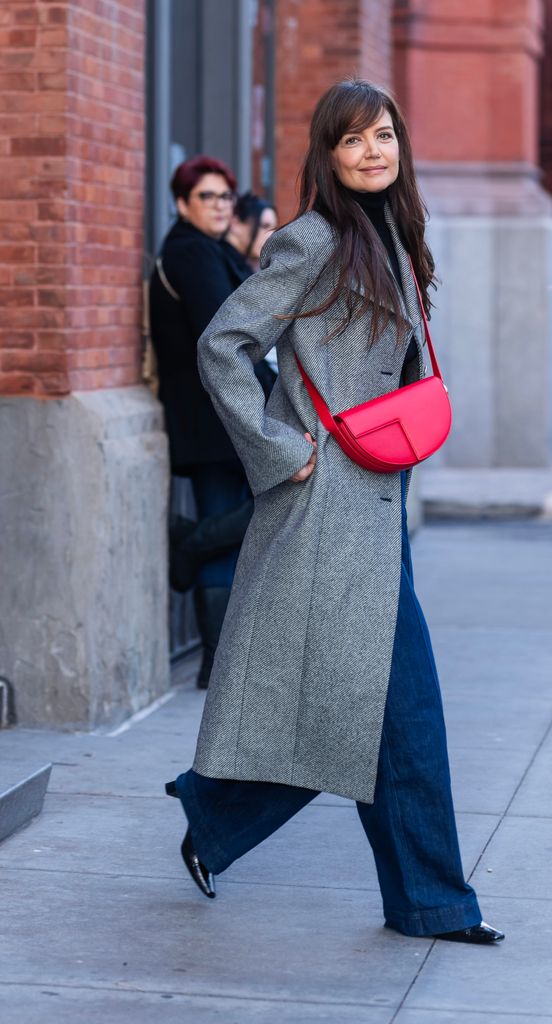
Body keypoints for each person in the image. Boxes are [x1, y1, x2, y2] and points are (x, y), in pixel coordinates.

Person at [165, 80, 503, 945]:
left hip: (376, 498)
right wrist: (283, 451)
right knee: (393, 707)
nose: (371, 153)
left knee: (382, 709)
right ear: (327, 154)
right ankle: (227, 818)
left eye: (383, 136)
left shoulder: (393, 233)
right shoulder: (311, 240)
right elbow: (223, 345)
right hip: (324, 502)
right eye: (351, 141)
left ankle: (417, 896)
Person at [149, 156, 276, 688]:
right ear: (181, 204)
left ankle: (190, 539)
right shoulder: (191, 254)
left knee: (242, 523)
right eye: (208, 197)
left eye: (226, 197)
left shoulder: (212, 250)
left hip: (225, 418)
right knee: (237, 522)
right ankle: (216, 665)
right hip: (212, 420)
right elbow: (227, 340)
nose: (222, 206)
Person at [226, 191, 278, 271]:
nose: (271, 235)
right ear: (235, 224)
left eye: (273, 230)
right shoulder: (215, 262)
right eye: (265, 226)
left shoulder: (241, 267)